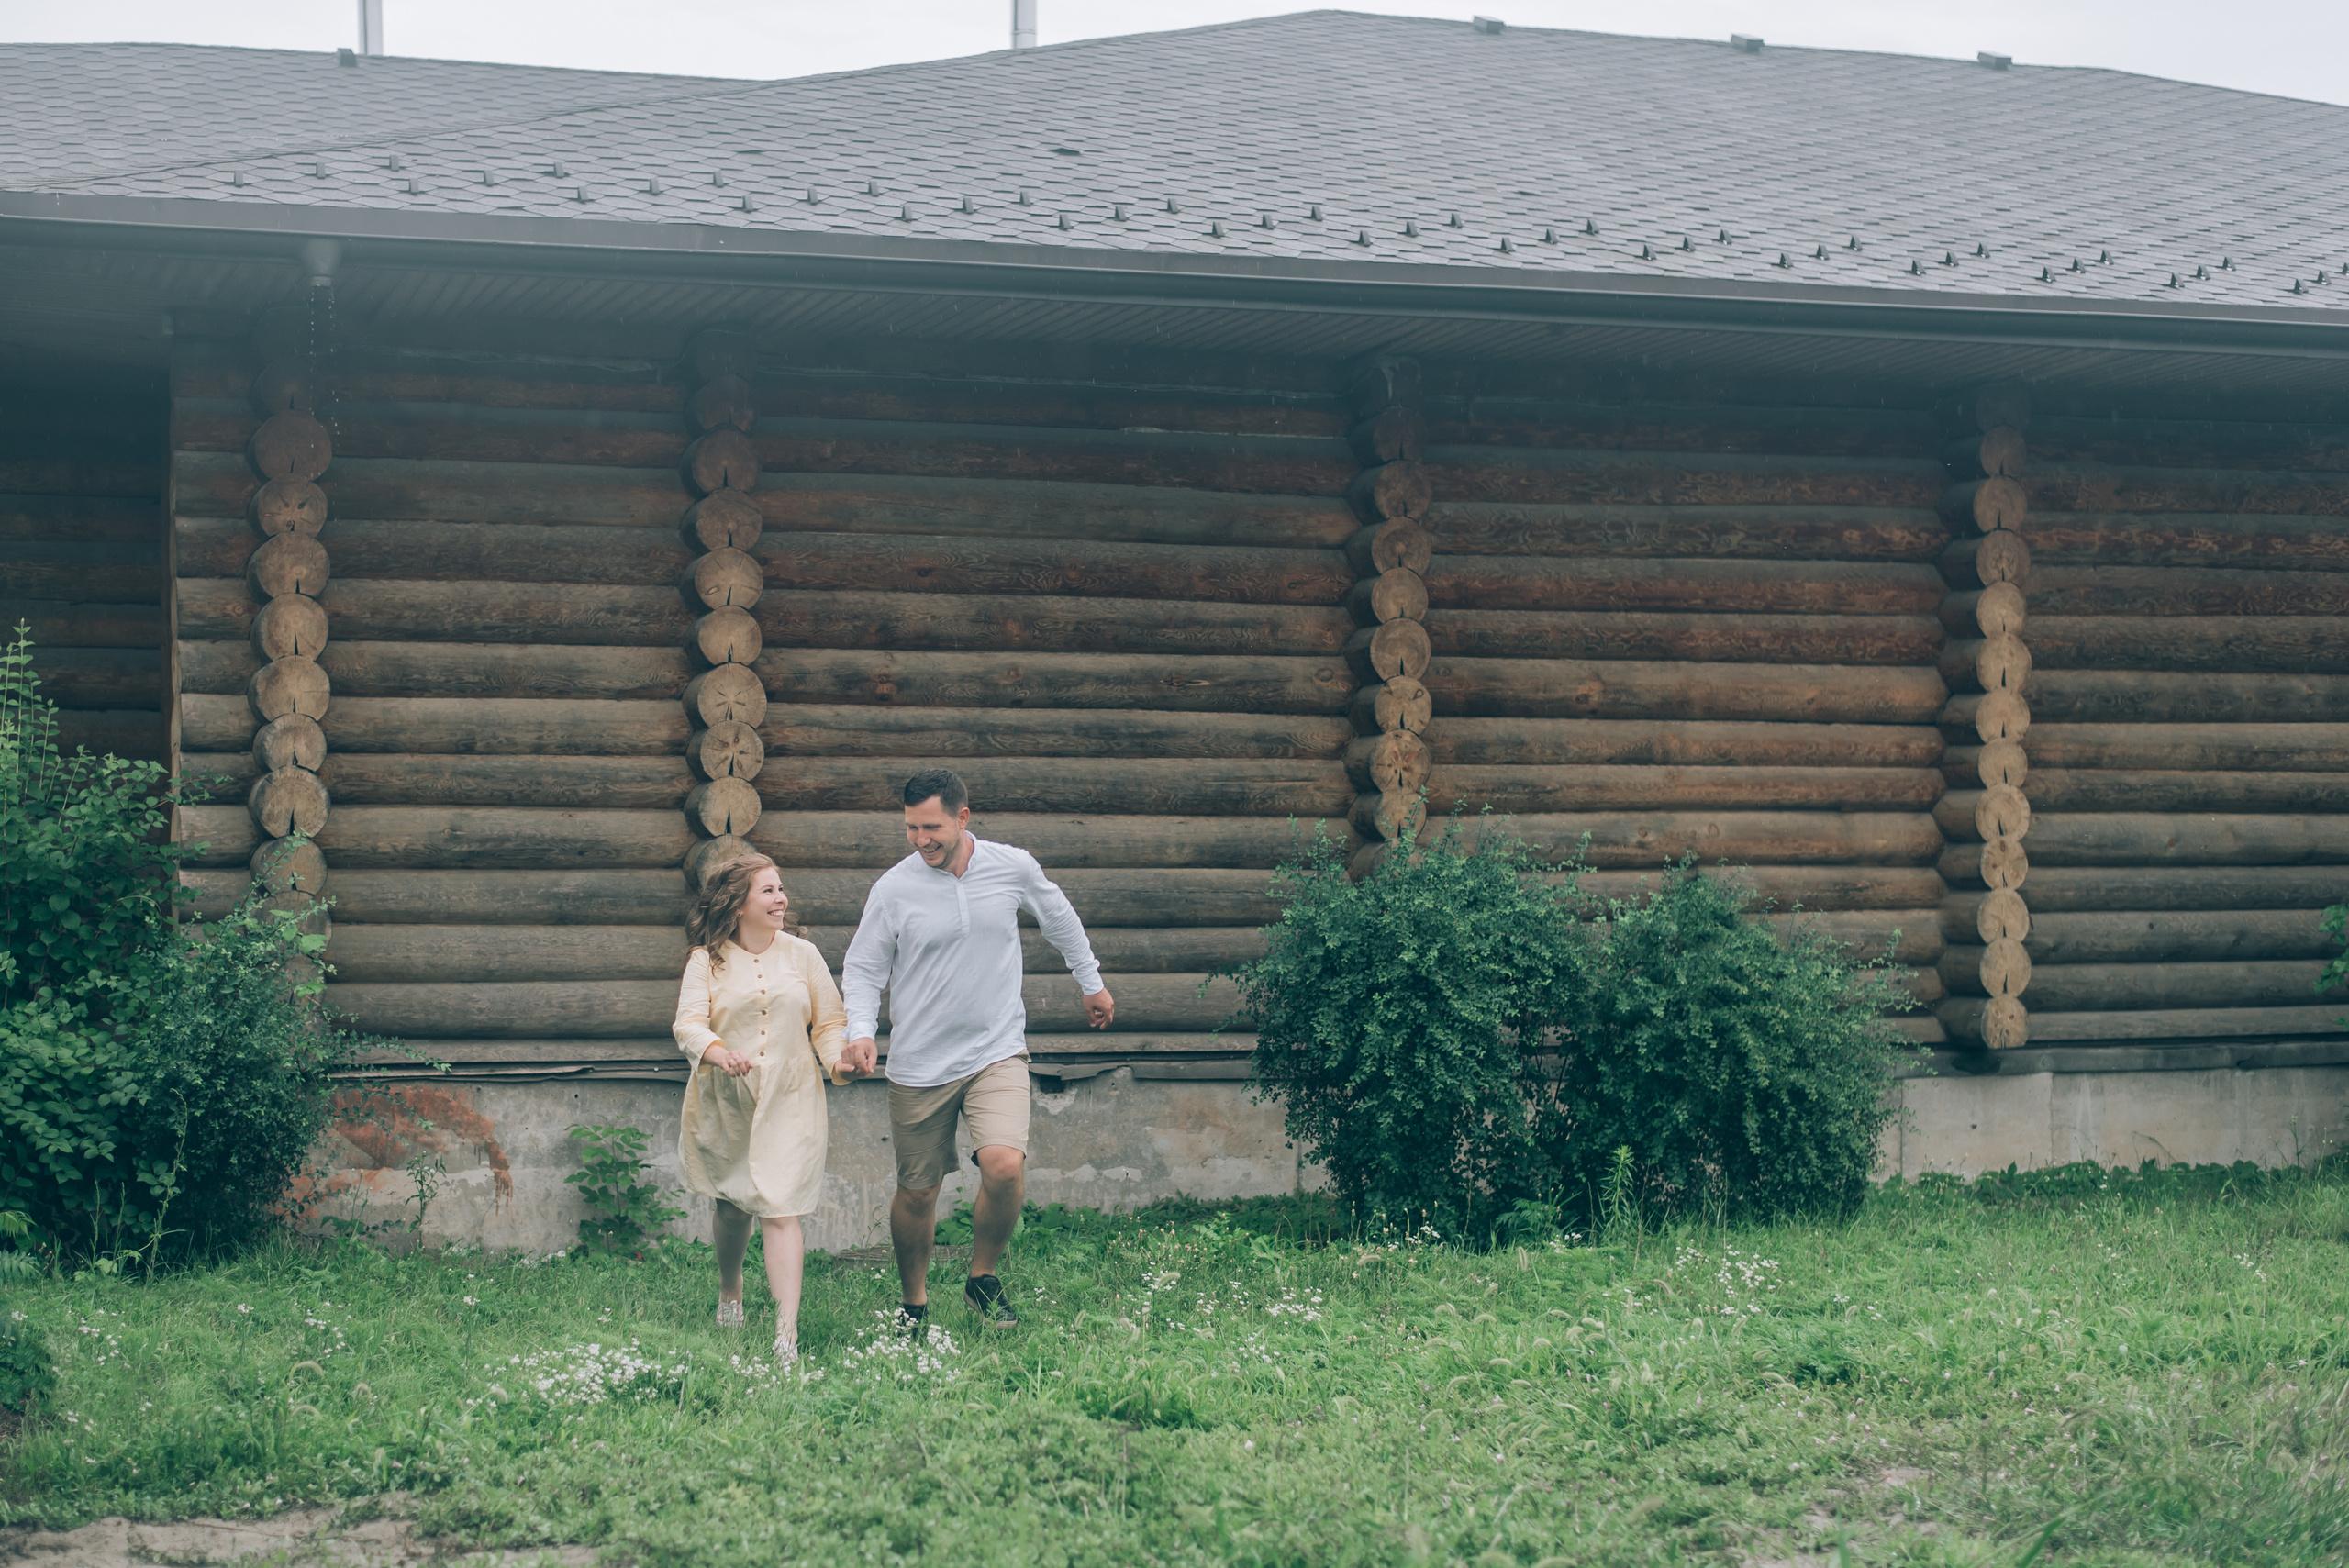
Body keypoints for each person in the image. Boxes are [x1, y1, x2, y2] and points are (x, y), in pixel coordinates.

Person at [837, 768, 1114, 1330]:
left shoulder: (1012, 866)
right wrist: (860, 1030)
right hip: (920, 1062)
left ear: (963, 818)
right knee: (918, 1193)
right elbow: (864, 967)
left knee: (1004, 1165)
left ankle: (982, 1278)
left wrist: (1091, 981)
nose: (921, 840)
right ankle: (914, 1303)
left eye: (931, 827)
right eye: (911, 828)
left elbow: (1057, 917)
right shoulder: (894, 888)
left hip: (996, 1048)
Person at [672, 852, 850, 1364]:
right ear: (737, 902)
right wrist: (720, 1052)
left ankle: (785, 1337)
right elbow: (688, 1025)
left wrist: (843, 1064)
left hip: (792, 1097)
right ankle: (731, 1290)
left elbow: (829, 1025)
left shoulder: (803, 955)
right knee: (731, 1204)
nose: (781, 898)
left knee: (780, 1208)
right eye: (768, 891)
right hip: (728, 1096)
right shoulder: (707, 960)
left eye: (781, 888)